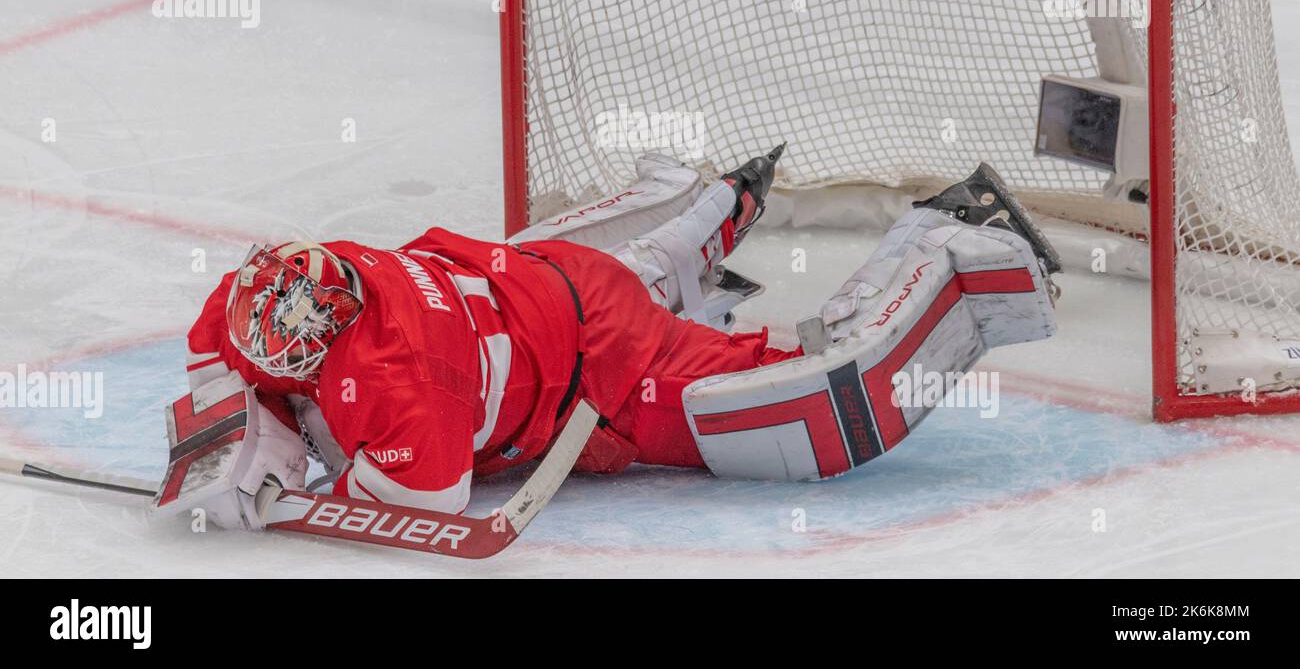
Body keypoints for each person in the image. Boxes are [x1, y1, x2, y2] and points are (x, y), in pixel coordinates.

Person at [163, 148, 1061, 529]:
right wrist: (250, 424)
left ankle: (953, 242)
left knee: (804, 412)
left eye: (295, 363)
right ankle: (700, 198)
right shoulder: (291, 278)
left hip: (609, 362)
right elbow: (220, 357)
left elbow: (420, 499)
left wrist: (282, 449)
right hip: (541, 279)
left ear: (330, 338)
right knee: (549, 279)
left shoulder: (404, 378)